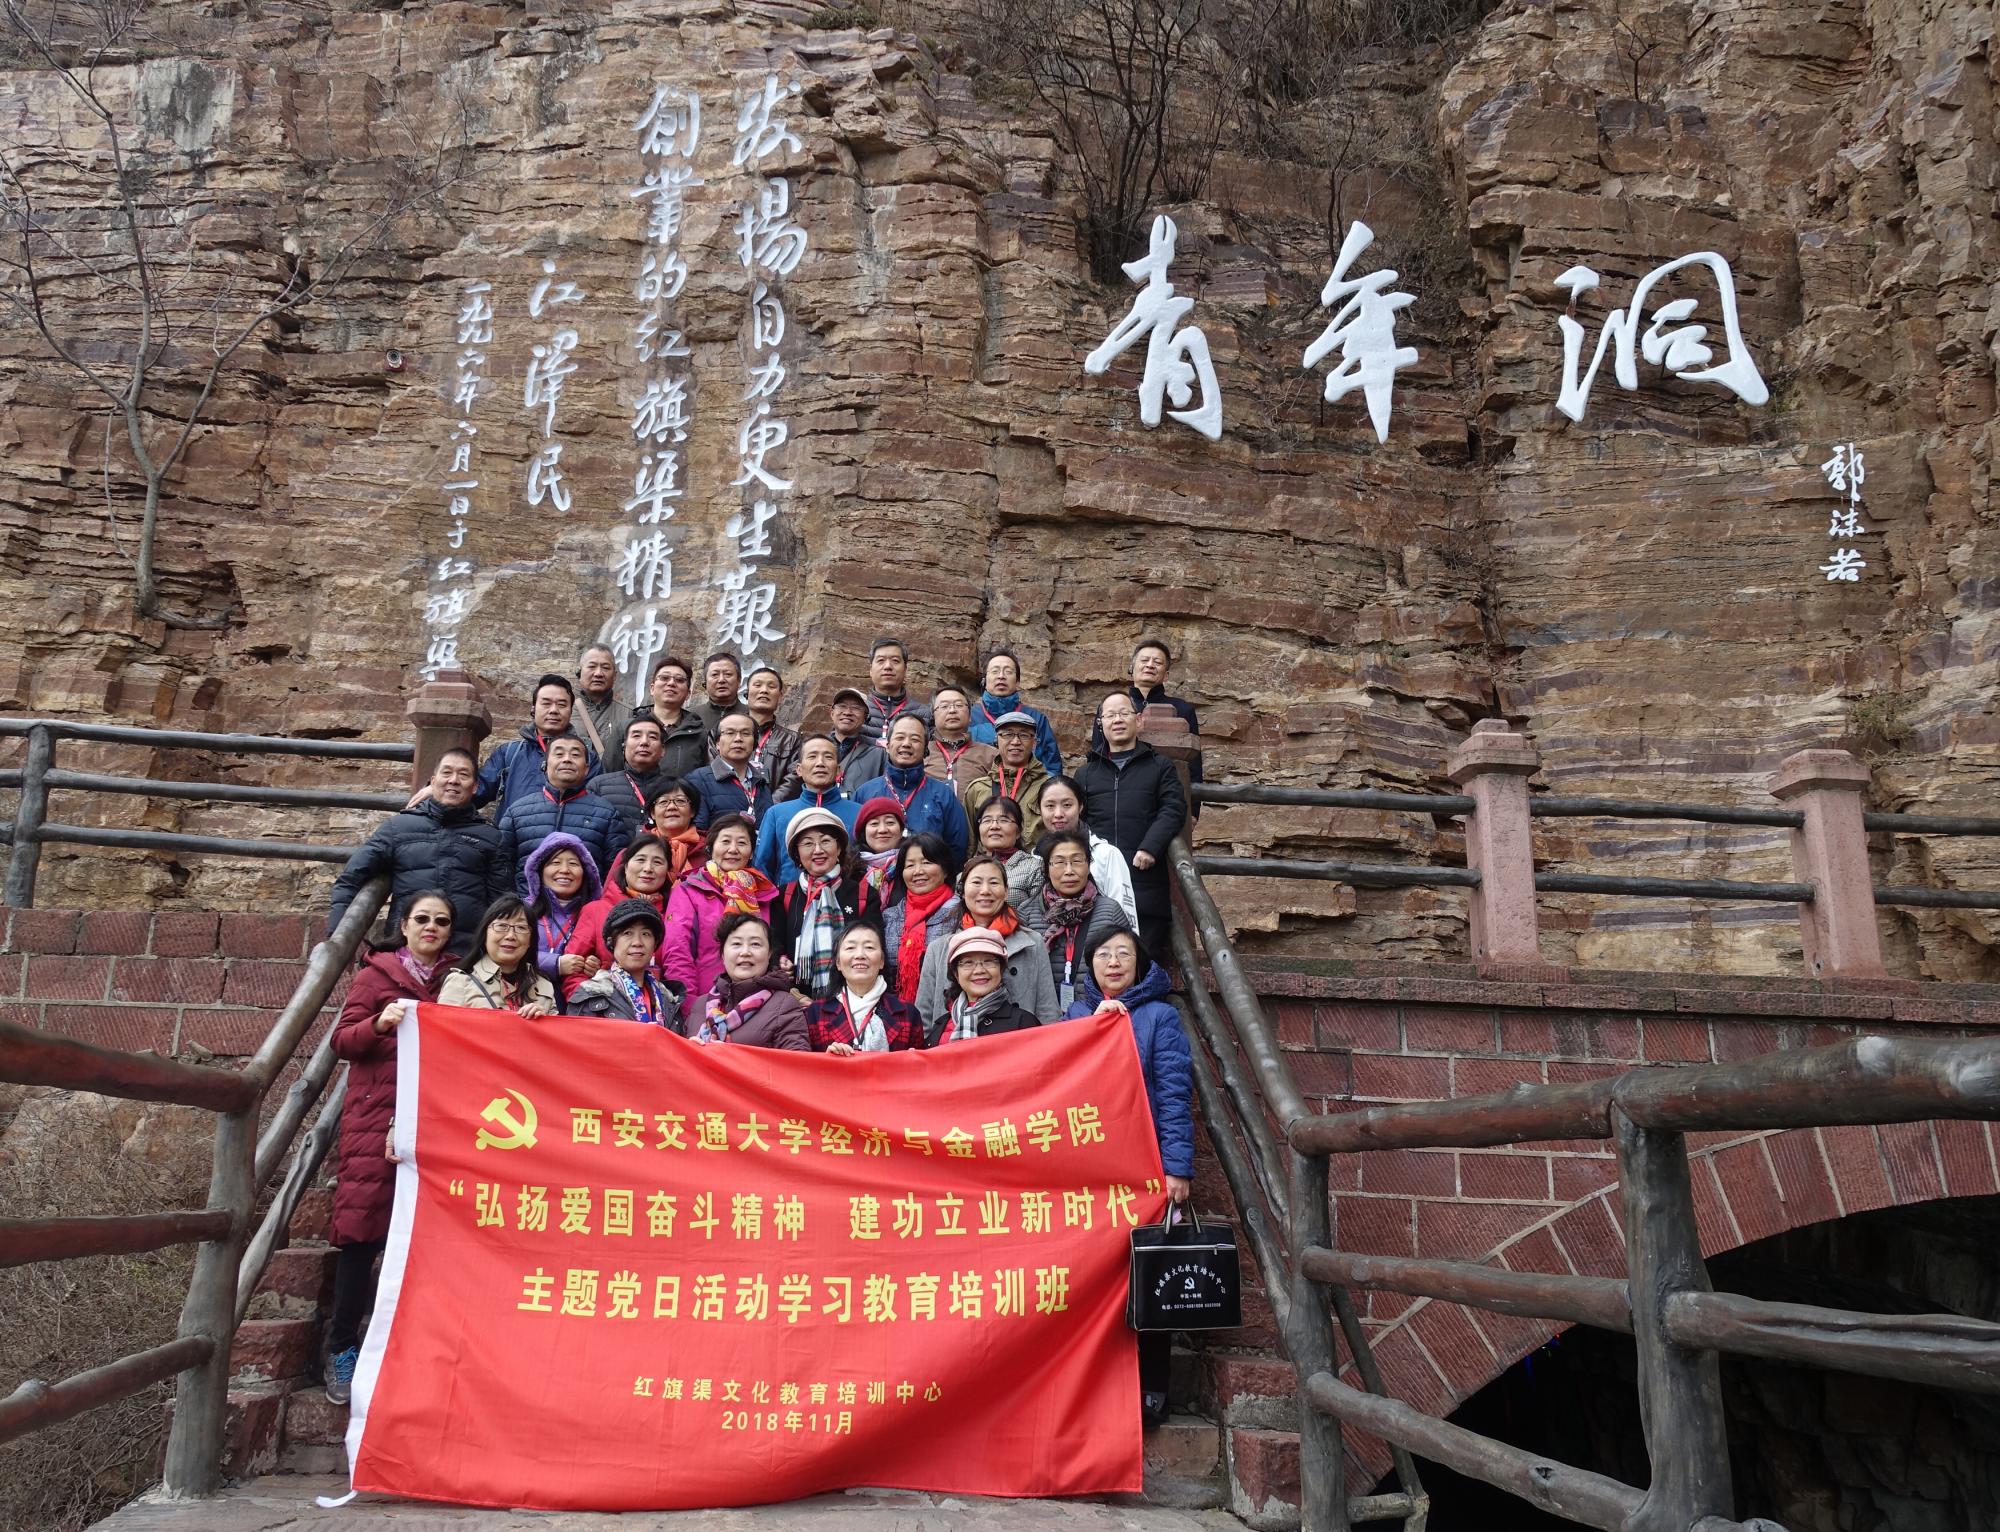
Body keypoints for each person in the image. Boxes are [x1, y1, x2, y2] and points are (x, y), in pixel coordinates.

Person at [325, 889, 453, 1403]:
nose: (431, 928)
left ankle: (407, 1349)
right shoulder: (375, 977)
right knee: (361, 1232)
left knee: (425, 1235)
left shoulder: (454, 980)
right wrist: (378, 1024)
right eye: (422, 919)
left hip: (434, 1118)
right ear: (404, 925)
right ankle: (341, 1347)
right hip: (375, 1116)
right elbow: (342, 1040)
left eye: (441, 921)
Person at [1065, 926, 1194, 1424]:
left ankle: (1151, 1388)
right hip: (1090, 1172)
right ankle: (1098, 1390)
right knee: (1093, 1283)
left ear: (1139, 964)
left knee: (1148, 1275)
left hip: (1144, 1170)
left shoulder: (1160, 1016)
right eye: (1104, 954)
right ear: (1090, 964)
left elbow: (1174, 1094)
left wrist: (1176, 1168)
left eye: (1124, 954)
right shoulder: (1076, 1016)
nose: (1114, 963)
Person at [328, 748, 506, 955]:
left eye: (463, 775)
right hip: (404, 950)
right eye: (446, 772)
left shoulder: (490, 837)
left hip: (464, 956)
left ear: (475, 787)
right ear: (433, 781)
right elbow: (351, 878)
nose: (454, 780)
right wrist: (336, 940)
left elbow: (501, 902)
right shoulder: (398, 828)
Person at [1074, 691, 1187, 957]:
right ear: (1100, 724)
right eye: (1110, 715)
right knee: (1099, 958)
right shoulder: (1086, 773)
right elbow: (1078, 820)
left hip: (1144, 878)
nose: (1117, 720)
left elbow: (1173, 808)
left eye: (1124, 713)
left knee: (1142, 959)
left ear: (1139, 720)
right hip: (1098, 880)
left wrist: (1150, 847)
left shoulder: (1160, 766)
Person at [914, 854, 1059, 1027]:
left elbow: (1048, 1011)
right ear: (962, 891)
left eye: (994, 883)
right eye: (976, 882)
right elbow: (923, 1018)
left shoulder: (1032, 943)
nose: (985, 890)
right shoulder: (938, 949)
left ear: (1006, 891)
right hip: (952, 1041)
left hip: (1020, 1040)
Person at [662, 814, 777, 1018]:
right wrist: (692, 1010)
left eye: (742, 843)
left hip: (759, 1006)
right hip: (706, 1003)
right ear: (710, 847)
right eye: (725, 841)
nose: (733, 849)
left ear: (751, 851)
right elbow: (677, 953)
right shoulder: (689, 890)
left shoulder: (764, 893)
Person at [768, 808, 884, 1002]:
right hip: (796, 1001)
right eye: (807, 843)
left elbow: (875, 947)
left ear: (839, 849)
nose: (818, 850)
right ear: (797, 853)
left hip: (852, 1000)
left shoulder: (863, 894)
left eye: (825, 841)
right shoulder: (784, 895)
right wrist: (780, 961)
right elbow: (775, 945)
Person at [496, 734, 621, 889]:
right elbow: (500, 867)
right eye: (559, 754)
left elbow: (615, 872)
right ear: (545, 766)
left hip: (586, 903)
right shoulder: (517, 812)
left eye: (575, 755)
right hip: (526, 901)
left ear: (587, 769)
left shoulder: (607, 814)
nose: (567, 759)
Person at [562, 834, 675, 1001]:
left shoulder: (673, 916)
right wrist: (592, 1005)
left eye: (657, 862)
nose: (648, 868)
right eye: (640, 860)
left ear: (667, 871)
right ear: (625, 866)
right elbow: (573, 970)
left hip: (657, 1010)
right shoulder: (595, 911)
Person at [1091, 636, 1203, 802]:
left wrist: (1193, 809)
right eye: (1144, 660)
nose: (1150, 665)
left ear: (1166, 675)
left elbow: (1193, 763)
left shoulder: (1183, 709)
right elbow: (1098, 751)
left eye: (1157, 662)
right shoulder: (1112, 707)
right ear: (1131, 668)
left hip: (1170, 793)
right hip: (1121, 791)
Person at [1036, 828, 1131, 1012]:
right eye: (1059, 862)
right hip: (1044, 1021)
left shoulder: (1110, 911)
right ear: (1047, 868)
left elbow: (1130, 969)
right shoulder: (1028, 912)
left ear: (1089, 865)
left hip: (1099, 1016)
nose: (1069, 871)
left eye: (1077, 861)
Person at [473, 673, 596, 815]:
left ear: (570, 711)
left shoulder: (587, 757)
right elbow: (474, 794)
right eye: (546, 703)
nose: (553, 710)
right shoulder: (509, 754)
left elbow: (596, 806)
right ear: (533, 708)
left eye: (562, 705)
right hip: (514, 829)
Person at [854, 714, 968, 867]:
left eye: (915, 739)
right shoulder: (865, 793)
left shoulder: (943, 794)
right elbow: (855, 845)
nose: (906, 744)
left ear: (925, 749)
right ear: (887, 745)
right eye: (900, 737)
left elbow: (957, 848)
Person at [690, 913, 810, 1049]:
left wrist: (729, 1057)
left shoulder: (785, 1005)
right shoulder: (699, 1006)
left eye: (755, 944)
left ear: (769, 954)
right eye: (736, 944)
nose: (745, 952)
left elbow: (796, 1060)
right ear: (723, 954)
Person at [806, 923, 927, 1054]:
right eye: (850, 948)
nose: (860, 955)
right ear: (838, 963)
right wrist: (827, 1060)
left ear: (882, 961)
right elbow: (805, 1064)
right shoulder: (815, 1014)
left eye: (869, 947)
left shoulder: (908, 1013)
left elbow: (920, 1065)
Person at [754, 734, 859, 883]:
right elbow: (762, 867)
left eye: (828, 757)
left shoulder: (859, 813)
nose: (820, 763)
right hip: (788, 896)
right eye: (812, 756)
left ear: (838, 770)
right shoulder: (776, 814)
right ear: (799, 769)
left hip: (846, 896)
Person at [1038, 773, 1137, 927]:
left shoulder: (1106, 854)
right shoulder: (1035, 857)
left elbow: (1125, 916)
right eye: (1050, 806)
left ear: (1080, 807)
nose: (1058, 814)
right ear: (1039, 810)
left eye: (1067, 805)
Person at [566, 898, 684, 1025]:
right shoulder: (591, 994)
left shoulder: (669, 999)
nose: (637, 942)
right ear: (612, 942)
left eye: (645, 934)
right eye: (627, 933)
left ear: (655, 944)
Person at [438, 895, 557, 1014]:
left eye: (521, 927)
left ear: (531, 940)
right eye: (502, 926)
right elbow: (444, 1025)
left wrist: (544, 1021)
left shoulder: (543, 985)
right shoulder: (460, 982)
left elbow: (556, 1026)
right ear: (485, 934)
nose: (510, 936)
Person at [925, 927, 1041, 1046]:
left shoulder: (1023, 1023)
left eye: (988, 961)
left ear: (1001, 970)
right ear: (956, 974)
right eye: (968, 962)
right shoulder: (940, 1026)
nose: (979, 970)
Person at [520, 834, 602, 992]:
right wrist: (556, 964)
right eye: (555, 862)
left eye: (573, 863)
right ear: (539, 869)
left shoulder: (596, 914)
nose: (564, 870)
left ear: (585, 872)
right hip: (526, 997)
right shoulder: (521, 910)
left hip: (574, 1001)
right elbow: (506, 954)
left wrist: (594, 966)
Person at [883, 831, 955, 1002]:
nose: (918, 871)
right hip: (897, 1010)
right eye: (909, 865)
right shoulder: (889, 916)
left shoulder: (960, 913)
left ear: (945, 870)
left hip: (943, 1008)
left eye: (926, 863)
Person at [968, 648, 1062, 777]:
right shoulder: (969, 717)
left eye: (1008, 672)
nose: (1001, 676)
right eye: (995, 671)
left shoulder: (1036, 719)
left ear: (1017, 682)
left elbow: (1052, 769)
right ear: (984, 680)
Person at [964, 712, 1051, 846]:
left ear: (1034, 743)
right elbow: (970, 844)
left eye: (1024, 735)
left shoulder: (1048, 788)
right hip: (988, 859)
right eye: (1007, 734)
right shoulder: (977, 789)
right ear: (996, 741)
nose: (1015, 742)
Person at [588, 714, 672, 846]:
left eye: (652, 737)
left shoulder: (675, 788)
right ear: (624, 747)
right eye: (636, 736)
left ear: (663, 750)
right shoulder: (599, 786)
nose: (644, 742)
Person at [683, 711, 772, 830]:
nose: (738, 739)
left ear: (754, 743)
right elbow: (697, 832)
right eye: (730, 733)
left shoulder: (761, 782)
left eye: (745, 733)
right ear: (717, 743)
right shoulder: (698, 780)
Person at [634, 655, 710, 780]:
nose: (671, 683)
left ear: (688, 694)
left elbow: (706, 778)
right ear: (652, 688)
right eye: (664, 678)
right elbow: (610, 774)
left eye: (679, 680)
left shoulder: (699, 733)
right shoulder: (629, 726)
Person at [573, 643, 633, 773]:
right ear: (579, 672)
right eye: (592, 666)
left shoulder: (629, 714)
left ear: (615, 675)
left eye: (605, 668)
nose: (598, 673)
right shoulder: (566, 711)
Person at [743, 664, 803, 793]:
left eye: (771, 686)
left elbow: (794, 779)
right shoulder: (726, 732)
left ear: (780, 696)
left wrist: (770, 804)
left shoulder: (792, 740)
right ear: (746, 693)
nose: (764, 690)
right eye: (757, 685)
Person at [859, 637, 931, 745]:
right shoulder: (856, 711)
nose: (888, 666)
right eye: (881, 660)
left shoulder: (925, 715)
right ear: (871, 670)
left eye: (895, 661)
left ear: (905, 669)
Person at [926, 686, 995, 797]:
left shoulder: (990, 755)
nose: (952, 710)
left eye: (959, 705)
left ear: (970, 715)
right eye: (944, 706)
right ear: (933, 716)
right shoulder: (921, 752)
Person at [973, 794, 1043, 904]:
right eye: (987, 820)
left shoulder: (1034, 868)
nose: (994, 826)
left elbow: (1038, 911)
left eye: (1003, 820)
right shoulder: (970, 867)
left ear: (1018, 831)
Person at [827, 686, 888, 792]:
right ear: (832, 713)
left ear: (865, 717)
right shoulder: (816, 748)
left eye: (856, 708)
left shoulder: (879, 755)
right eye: (842, 706)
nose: (847, 712)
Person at [646, 779, 706, 879]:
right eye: (663, 801)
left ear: (692, 811)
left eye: (680, 801)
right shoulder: (637, 849)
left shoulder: (710, 850)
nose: (671, 807)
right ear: (652, 813)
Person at [854, 797, 906, 899]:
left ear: (901, 830)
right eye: (874, 823)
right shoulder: (850, 870)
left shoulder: (914, 866)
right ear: (863, 832)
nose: (882, 830)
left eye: (890, 822)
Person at [688, 650, 743, 740]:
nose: (721, 680)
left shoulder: (751, 715)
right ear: (705, 682)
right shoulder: (690, 717)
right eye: (714, 675)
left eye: (728, 674)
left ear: (739, 681)